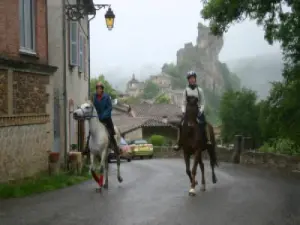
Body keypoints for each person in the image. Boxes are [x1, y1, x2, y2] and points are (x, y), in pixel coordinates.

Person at [173, 71, 211, 151]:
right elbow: (183, 103)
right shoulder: (185, 91)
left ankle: (208, 140)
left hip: (197, 110)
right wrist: (183, 111)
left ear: (195, 79)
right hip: (188, 111)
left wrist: (200, 111)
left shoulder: (199, 90)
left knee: (204, 123)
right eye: (190, 78)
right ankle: (178, 143)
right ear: (188, 80)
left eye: (193, 78)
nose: (192, 80)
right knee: (180, 124)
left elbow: (203, 102)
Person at [92, 82, 118, 149]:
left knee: (111, 132)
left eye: (99, 88)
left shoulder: (106, 97)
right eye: (97, 88)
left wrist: (103, 115)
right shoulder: (94, 97)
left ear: (102, 89)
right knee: (91, 130)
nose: (98, 90)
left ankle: (114, 146)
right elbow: (94, 107)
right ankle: (88, 146)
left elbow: (109, 107)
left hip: (106, 117)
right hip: (97, 117)